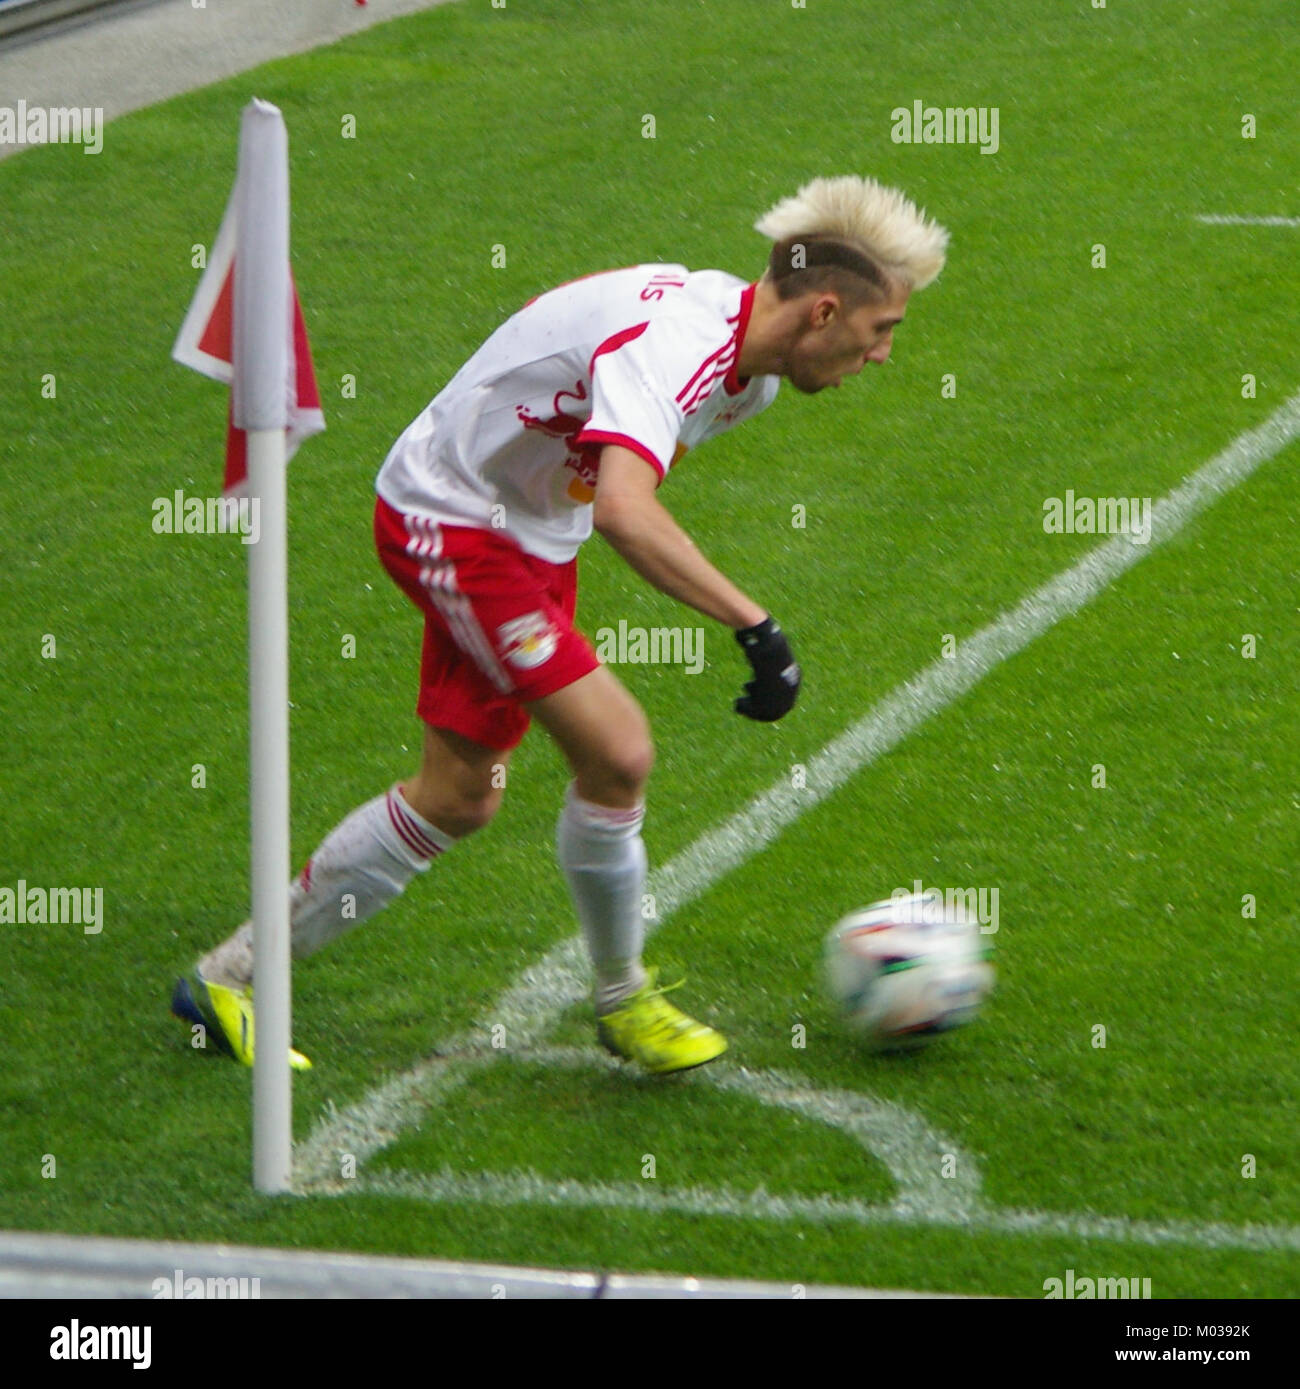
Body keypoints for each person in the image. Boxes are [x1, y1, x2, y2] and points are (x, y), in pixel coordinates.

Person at [172, 174, 948, 1075]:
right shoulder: (679, 348)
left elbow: (604, 489)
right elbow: (626, 507)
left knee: (462, 796)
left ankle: (225, 979)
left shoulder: (747, 381)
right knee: (619, 752)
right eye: (882, 328)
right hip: (450, 515)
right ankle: (624, 999)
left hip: (530, 537)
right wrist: (755, 624)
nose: (884, 353)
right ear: (823, 312)